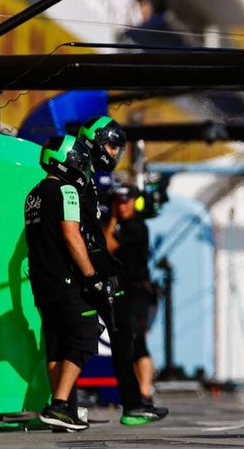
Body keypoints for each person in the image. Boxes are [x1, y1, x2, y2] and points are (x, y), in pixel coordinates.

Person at [77, 116, 167, 425]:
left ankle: (139, 398)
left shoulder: (136, 226)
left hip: (130, 287)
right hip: (96, 277)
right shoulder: (80, 183)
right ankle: (131, 400)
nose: (115, 153)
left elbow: (104, 243)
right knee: (90, 339)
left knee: (130, 340)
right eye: (111, 145)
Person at [24, 135, 103, 431]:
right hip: (65, 279)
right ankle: (59, 406)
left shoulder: (32, 195)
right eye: (78, 160)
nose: (81, 166)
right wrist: (92, 276)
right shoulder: (66, 190)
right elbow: (72, 236)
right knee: (84, 334)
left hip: (41, 283)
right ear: (66, 161)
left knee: (56, 344)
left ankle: (63, 411)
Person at [106, 181, 163, 410]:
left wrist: (110, 221)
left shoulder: (135, 226)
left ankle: (144, 392)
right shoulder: (126, 225)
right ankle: (142, 391)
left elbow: (108, 245)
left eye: (126, 202)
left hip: (137, 292)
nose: (122, 207)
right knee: (132, 342)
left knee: (138, 340)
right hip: (127, 291)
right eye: (118, 202)